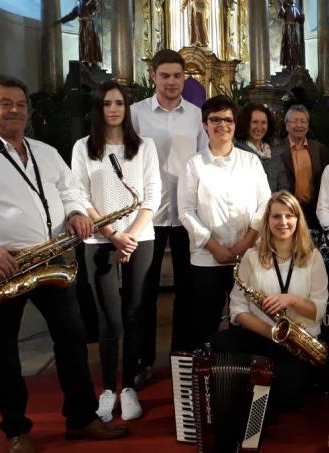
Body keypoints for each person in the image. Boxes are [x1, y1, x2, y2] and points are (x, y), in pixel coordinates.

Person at [0, 75, 126, 453]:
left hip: (49, 258)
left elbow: (70, 190)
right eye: (5, 104)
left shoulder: (45, 151)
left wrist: (76, 212)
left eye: (21, 104)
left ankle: (82, 418)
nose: (15, 110)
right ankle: (16, 429)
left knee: (72, 341)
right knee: (3, 351)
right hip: (1, 266)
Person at [71, 81, 161, 423]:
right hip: (99, 239)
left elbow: (152, 194)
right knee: (109, 319)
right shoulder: (83, 147)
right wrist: (112, 235)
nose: (113, 109)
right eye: (107, 103)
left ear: (127, 108)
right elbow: (79, 195)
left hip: (140, 238)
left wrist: (130, 237)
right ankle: (108, 389)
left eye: (119, 103)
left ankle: (129, 387)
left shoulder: (144, 146)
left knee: (135, 312)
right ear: (98, 108)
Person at [131, 49, 208, 384]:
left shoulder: (195, 115)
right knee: (144, 293)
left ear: (185, 77)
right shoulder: (135, 113)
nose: (171, 81)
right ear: (153, 76)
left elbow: (203, 160)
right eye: (165, 75)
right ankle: (143, 360)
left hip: (186, 214)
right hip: (147, 215)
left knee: (187, 292)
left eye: (177, 75)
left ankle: (182, 357)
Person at [216, 190, 327, 412]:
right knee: (213, 346)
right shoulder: (251, 257)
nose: (283, 222)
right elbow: (237, 308)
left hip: (298, 344)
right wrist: (272, 333)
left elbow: (319, 310)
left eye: (289, 215)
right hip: (262, 335)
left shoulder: (313, 257)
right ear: (267, 221)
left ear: (298, 220)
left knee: (290, 396)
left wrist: (291, 300)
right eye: (276, 216)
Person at [178, 95, 271, 347]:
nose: (222, 125)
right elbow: (186, 211)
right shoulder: (194, 164)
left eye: (228, 120)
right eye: (215, 119)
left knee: (246, 321)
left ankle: (240, 368)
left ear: (235, 123)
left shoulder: (250, 161)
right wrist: (214, 247)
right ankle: (208, 368)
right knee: (205, 321)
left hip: (248, 255)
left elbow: (265, 203)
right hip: (207, 258)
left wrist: (247, 241)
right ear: (205, 124)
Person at [277, 104, 329, 229]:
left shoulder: (320, 149)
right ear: (286, 125)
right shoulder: (276, 150)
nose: (299, 125)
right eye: (294, 121)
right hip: (286, 211)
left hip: (314, 213)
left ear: (308, 125)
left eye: (303, 121)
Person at [234, 103, 289, 192]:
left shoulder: (275, 153)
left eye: (263, 122)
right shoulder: (237, 152)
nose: (259, 127)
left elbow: (284, 188)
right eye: (255, 122)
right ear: (245, 123)